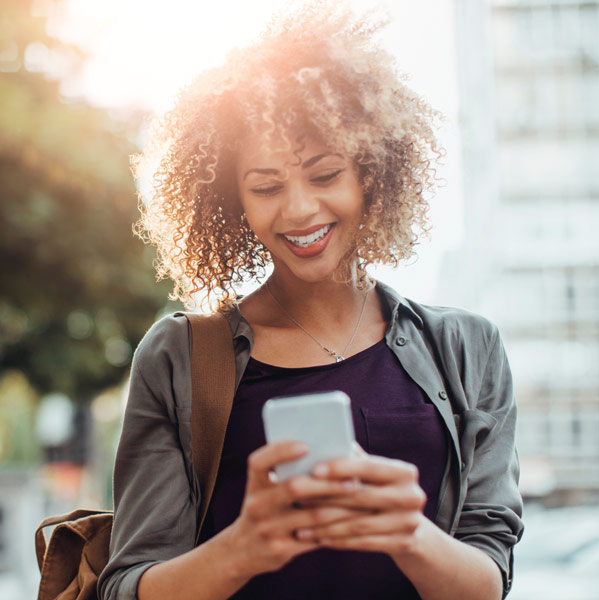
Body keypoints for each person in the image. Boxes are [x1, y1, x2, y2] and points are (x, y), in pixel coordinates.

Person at [98, 3, 523, 599]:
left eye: (325, 175)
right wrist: (245, 546)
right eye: (266, 186)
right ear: (234, 201)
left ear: (371, 175)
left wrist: (409, 536)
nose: (298, 210)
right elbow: (126, 588)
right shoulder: (180, 357)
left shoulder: (467, 349)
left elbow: (488, 580)